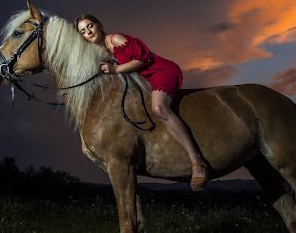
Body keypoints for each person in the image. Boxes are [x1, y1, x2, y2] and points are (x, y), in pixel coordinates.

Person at [74, 14, 208, 190]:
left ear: (98, 25)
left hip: (160, 71)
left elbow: (144, 59)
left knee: (159, 108)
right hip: (145, 81)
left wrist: (115, 69)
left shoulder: (115, 39)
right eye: (83, 31)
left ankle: (197, 162)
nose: (88, 31)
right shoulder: (100, 52)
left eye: (90, 26)